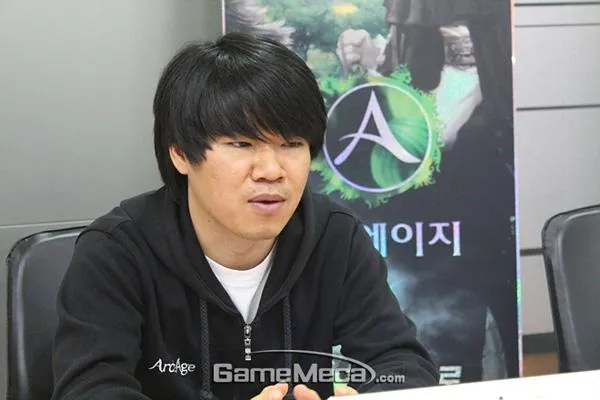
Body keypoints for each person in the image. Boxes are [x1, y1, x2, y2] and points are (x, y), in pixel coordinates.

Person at [50, 32, 439, 400]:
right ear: (181, 154)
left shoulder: (334, 236)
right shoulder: (117, 252)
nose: (271, 170)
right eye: (242, 143)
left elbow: (401, 362)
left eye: (291, 144)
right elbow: (92, 390)